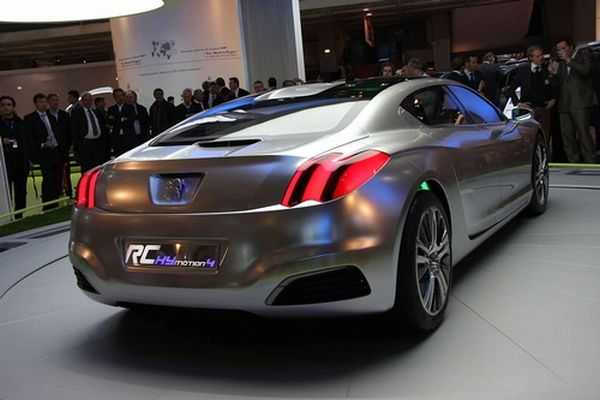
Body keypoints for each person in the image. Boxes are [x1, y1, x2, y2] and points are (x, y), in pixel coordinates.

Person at [549, 37, 597, 163]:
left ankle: (590, 160)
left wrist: (569, 61)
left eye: (563, 48)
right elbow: (558, 83)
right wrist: (552, 74)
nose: (560, 51)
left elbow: (586, 71)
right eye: (558, 49)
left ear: (571, 47)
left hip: (580, 101)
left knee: (583, 132)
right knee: (567, 135)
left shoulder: (583, 56)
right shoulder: (561, 63)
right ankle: (573, 162)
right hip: (564, 103)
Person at [507, 45, 556, 156]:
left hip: (544, 108)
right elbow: (511, 89)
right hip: (528, 110)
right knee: (528, 137)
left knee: (545, 137)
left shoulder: (546, 70)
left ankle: (545, 160)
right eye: (537, 56)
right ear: (531, 58)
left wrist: (553, 99)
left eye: (541, 55)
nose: (541, 58)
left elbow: (554, 86)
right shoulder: (523, 71)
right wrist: (518, 103)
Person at [24, 93, 62, 210]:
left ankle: (56, 203)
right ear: (35, 104)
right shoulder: (30, 118)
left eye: (45, 102)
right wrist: (41, 145)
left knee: (57, 178)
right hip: (43, 152)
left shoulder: (51, 117)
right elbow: (29, 137)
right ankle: (47, 205)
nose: (44, 104)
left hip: (55, 151)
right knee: (48, 179)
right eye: (41, 102)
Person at [0, 96, 29, 218]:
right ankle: (7, 216)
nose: (6, 107)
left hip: (20, 162)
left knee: (21, 191)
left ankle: (19, 216)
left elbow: (27, 142)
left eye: (9, 104)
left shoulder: (20, 122)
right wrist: (1, 141)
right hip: (4, 163)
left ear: (13, 107)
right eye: (3, 105)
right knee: (5, 192)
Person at [70, 92, 110, 173]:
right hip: (84, 144)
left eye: (90, 100)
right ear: (82, 101)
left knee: (98, 167)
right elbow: (74, 129)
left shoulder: (95, 112)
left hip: (97, 144)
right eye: (86, 100)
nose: (88, 102)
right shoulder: (77, 112)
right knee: (86, 168)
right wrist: (78, 143)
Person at [46, 93, 73, 198]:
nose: (55, 102)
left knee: (66, 172)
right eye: (53, 100)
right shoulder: (45, 115)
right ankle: (57, 194)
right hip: (51, 150)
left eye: (57, 100)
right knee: (53, 174)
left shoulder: (64, 114)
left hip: (63, 149)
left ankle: (69, 192)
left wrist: (68, 144)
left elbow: (69, 131)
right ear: (48, 102)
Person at [107, 88, 136, 157]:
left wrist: (116, 119)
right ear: (114, 98)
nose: (120, 98)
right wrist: (122, 119)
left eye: (121, 95)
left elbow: (130, 121)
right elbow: (110, 122)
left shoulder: (130, 108)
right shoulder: (111, 109)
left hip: (129, 138)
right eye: (117, 96)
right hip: (117, 138)